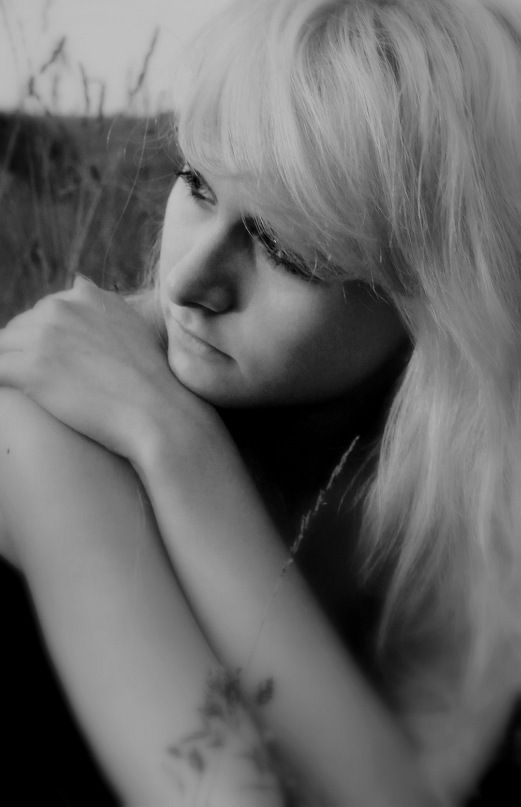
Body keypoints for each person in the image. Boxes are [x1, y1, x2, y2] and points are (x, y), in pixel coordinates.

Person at [0, 0, 520, 803]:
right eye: (197, 183)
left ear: (436, 298)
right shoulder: (51, 419)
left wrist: (178, 445)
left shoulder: (479, 468)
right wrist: (172, 439)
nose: (187, 281)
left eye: (288, 249)